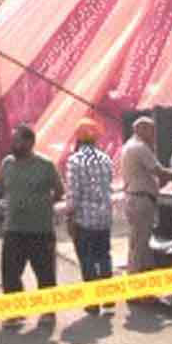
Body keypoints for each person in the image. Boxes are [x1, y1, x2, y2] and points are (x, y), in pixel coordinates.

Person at [0, 124, 64, 328]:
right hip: (13, 228)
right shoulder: (7, 164)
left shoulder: (45, 165)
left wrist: (41, 204)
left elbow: (59, 190)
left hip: (40, 229)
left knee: (44, 272)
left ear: (29, 142)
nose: (14, 144)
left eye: (18, 140)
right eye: (14, 140)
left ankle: (48, 312)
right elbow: (5, 187)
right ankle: (15, 311)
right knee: (10, 272)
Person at [119, 116, 172, 303]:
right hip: (141, 200)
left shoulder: (129, 146)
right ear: (141, 129)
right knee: (140, 246)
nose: (153, 135)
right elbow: (158, 170)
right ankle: (136, 291)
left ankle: (144, 287)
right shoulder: (140, 148)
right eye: (151, 130)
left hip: (135, 199)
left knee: (138, 244)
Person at [65, 118, 115, 315]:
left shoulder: (75, 161)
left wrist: (70, 216)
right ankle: (108, 296)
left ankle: (93, 301)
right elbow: (108, 186)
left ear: (77, 138)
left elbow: (73, 193)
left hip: (84, 219)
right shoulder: (106, 159)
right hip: (104, 217)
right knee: (104, 255)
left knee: (86, 258)